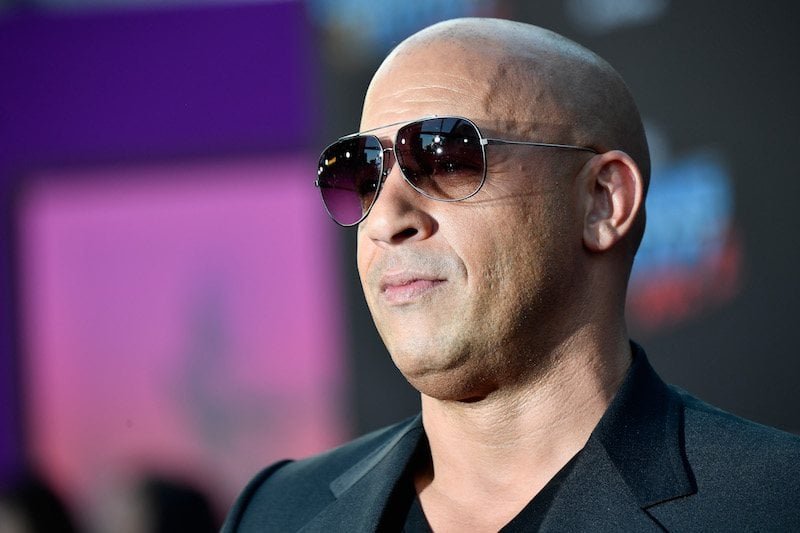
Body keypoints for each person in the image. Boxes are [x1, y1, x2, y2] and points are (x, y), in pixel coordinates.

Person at [223, 18, 800, 532]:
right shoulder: (276, 513)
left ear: (603, 201)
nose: (385, 220)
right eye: (361, 174)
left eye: (445, 156)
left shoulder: (774, 505)